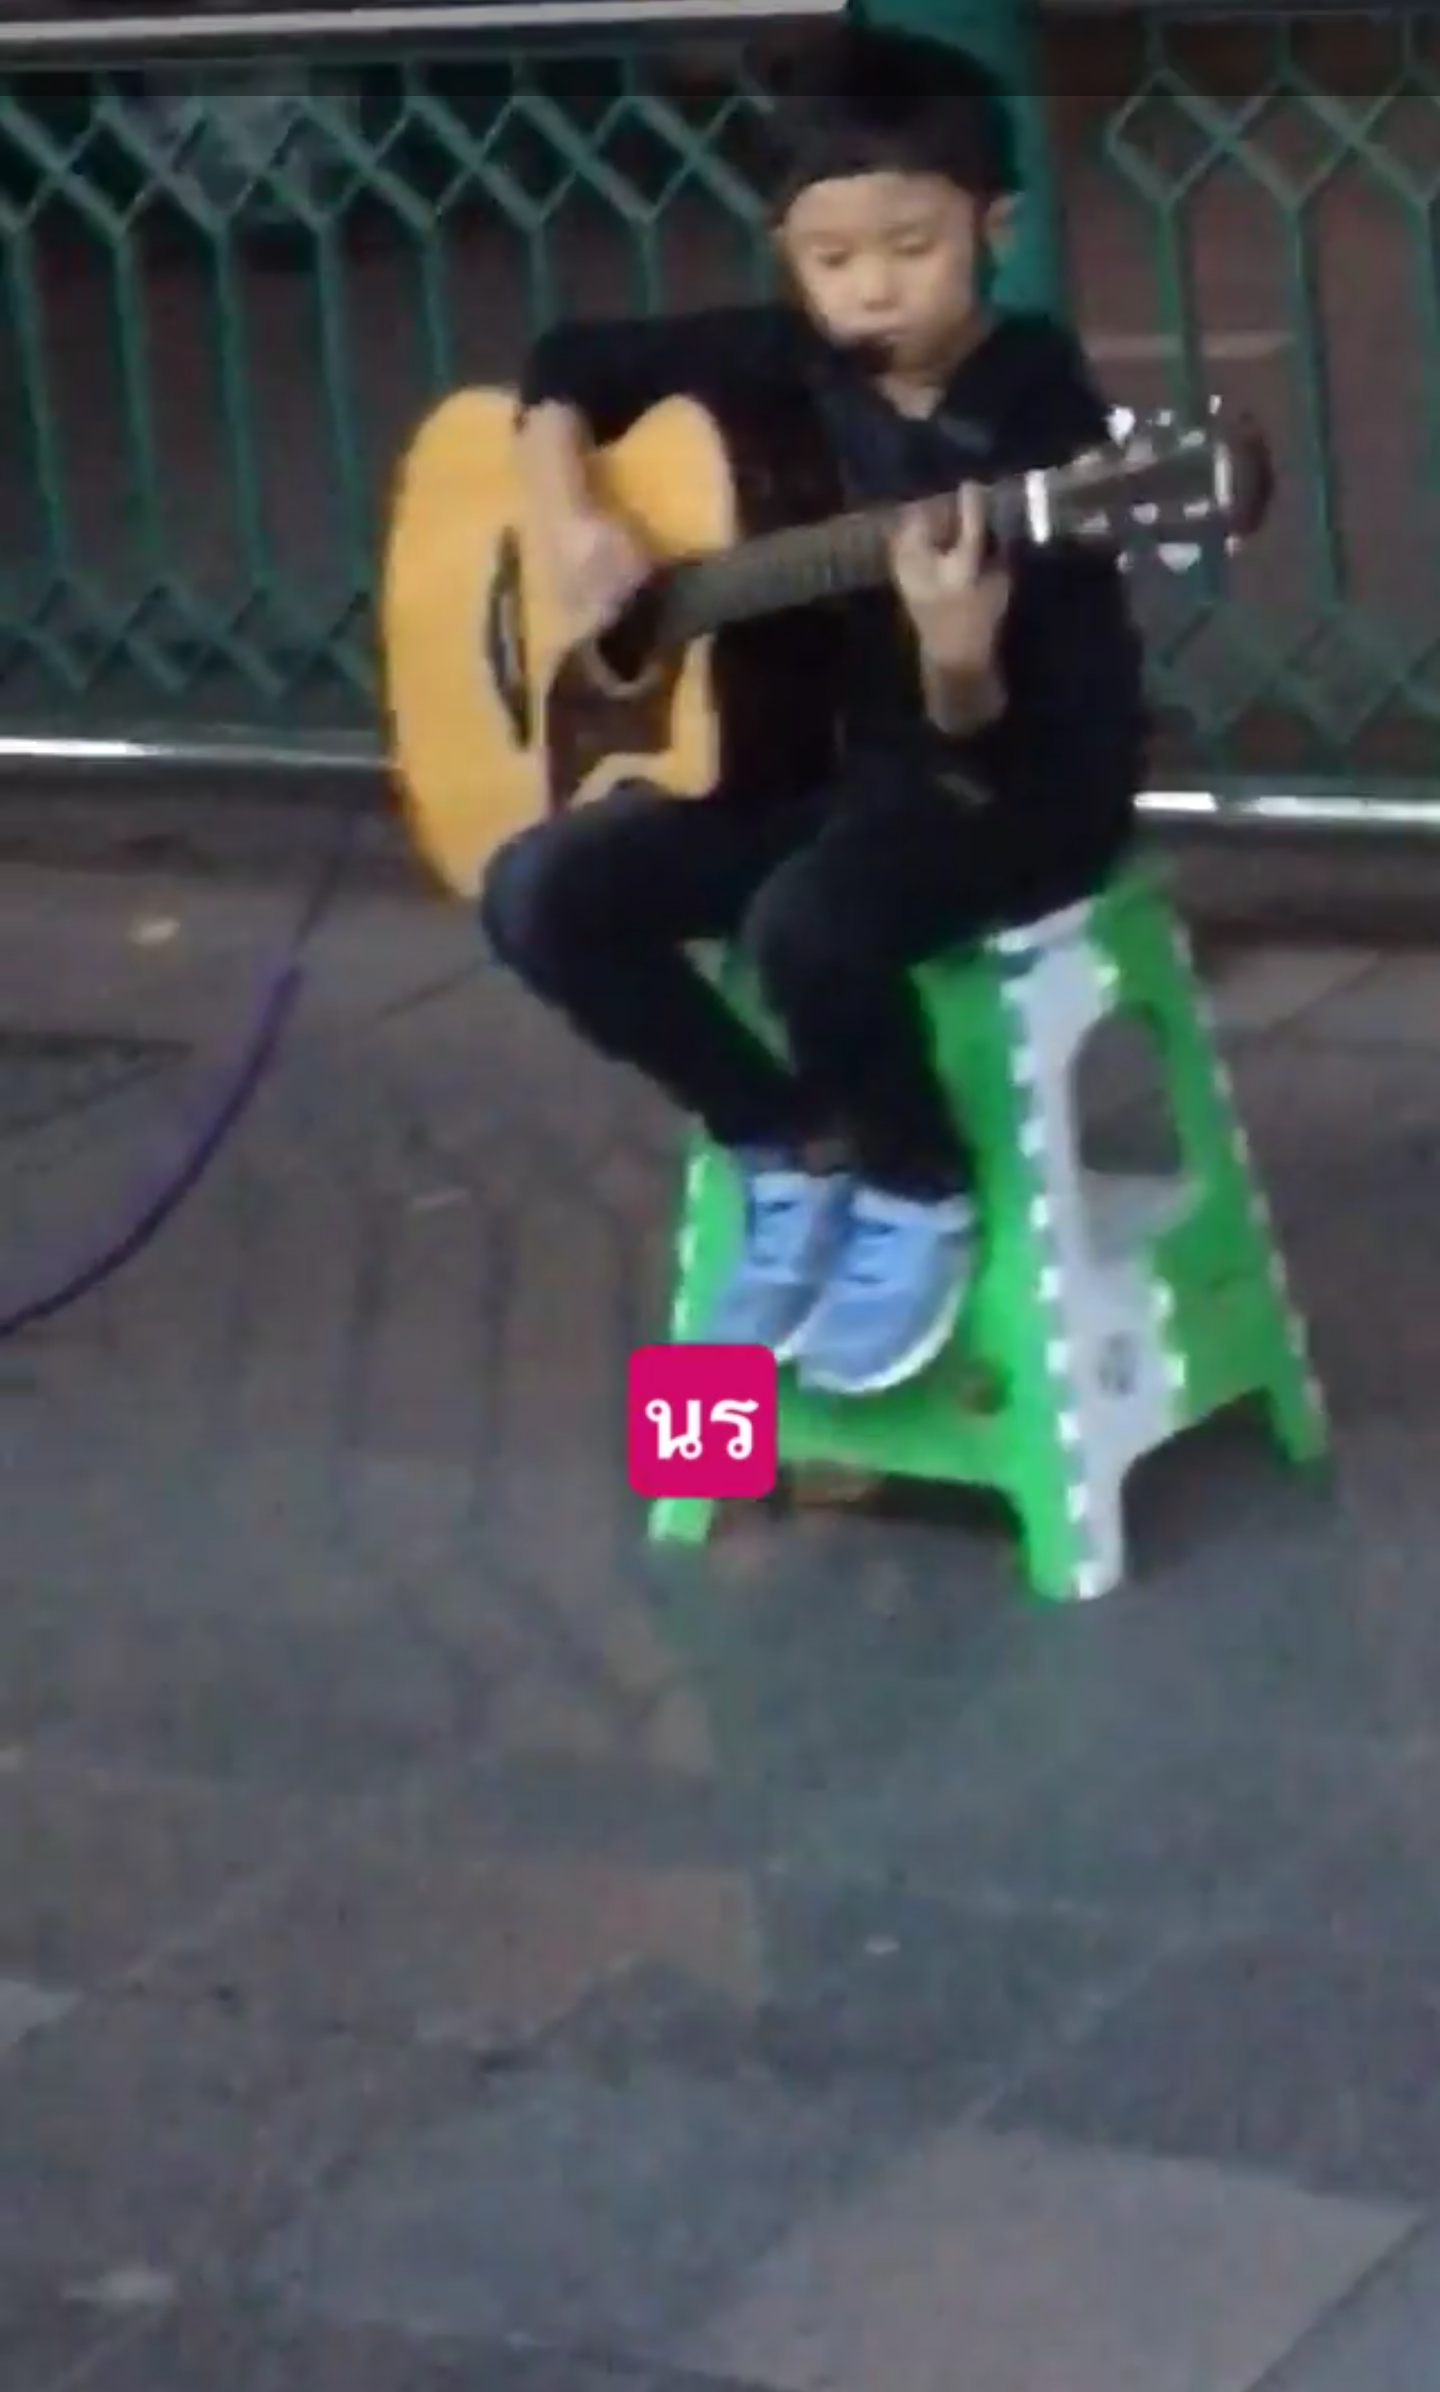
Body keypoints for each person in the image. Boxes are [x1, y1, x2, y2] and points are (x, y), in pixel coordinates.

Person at [480, 21, 1147, 1400]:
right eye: (832, 259)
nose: (872, 289)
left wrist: (956, 660)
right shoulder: (785, 361)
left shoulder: (1040, 424)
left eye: (912, 248)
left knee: (808, 923)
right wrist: (568, 519)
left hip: (1011, 793)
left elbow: (995, 734)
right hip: (822, 774)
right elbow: (563, 364)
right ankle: (783, 1144)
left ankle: (918, 1184)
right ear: (787, 249)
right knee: (540, 892)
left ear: (994, 228)